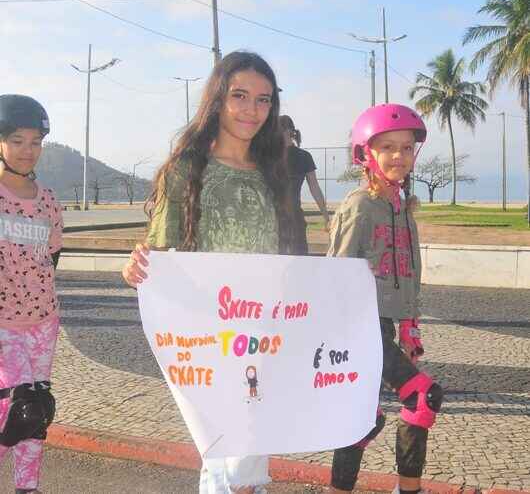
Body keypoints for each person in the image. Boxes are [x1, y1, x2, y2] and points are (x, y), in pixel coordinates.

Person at [122, 51, 293, 494]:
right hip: (210, 335)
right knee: (227, 456)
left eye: (263, 100)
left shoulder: (275, 172)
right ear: (217, 100)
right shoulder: (187, 170)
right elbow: (158, 251)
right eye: (239, 96)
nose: (252, 110)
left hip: (264, 330)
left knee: (250, 454)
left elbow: (286, 254)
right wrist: (137, 265)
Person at [327, 104, 443, 494]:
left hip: (387, 327)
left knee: (365, 417)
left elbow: (410, 275)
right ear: (366, 154)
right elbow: (337, 273)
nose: (399, 156)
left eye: (407, 148)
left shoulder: (403, 209)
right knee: (424, 397)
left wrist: (411, 331)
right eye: (388, 147)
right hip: (362, 326)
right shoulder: (360, 206)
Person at [0, 94, 63, 494]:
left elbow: (50, 259)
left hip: (43, 321)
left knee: (36, 413)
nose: (28, 151)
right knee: (21, 408)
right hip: (2, 321)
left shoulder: (49, 201)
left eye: (35, 142)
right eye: (17, 140)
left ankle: (28, 487)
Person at [279, 115, 329, 255]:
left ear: (289, 131)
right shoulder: (269, 155)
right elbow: (315, 188)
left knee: (297, 260)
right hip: (277, 218)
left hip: (292, 217)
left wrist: (326, 216)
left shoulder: (303, 156)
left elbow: (314, 188)